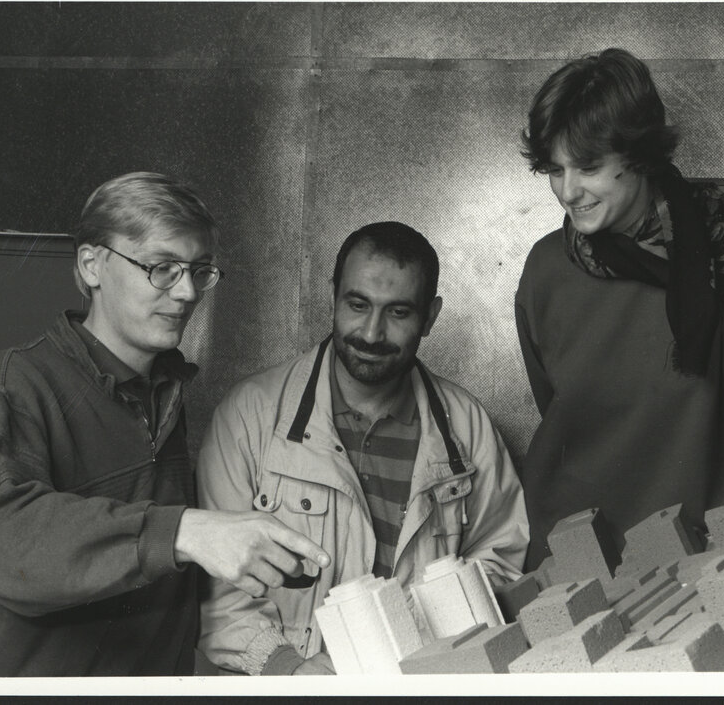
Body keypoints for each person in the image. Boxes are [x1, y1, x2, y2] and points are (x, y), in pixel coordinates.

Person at [0, 172, 330, 677]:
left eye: (199, 270)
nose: (187, 292)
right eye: (161, 267)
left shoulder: (165, 390)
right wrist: (185, 531)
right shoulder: (16, 382)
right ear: (92, 265)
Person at [515, 49, 724, 571]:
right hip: (577, 555)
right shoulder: (545, 268)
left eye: (589, 167)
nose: (569, 191)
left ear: (639, 154)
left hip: (705, 552)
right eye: (555, 169)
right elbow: (558, 407)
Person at [197, 221, 528, 675]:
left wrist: (425, 645)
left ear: (430, 317)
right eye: (357, 305)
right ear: (333, 296)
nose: (371, 333)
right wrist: (287, 669)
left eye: (398, 312)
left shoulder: (467, 426)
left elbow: (499, 557)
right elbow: (218, 588)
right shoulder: (249, 416)